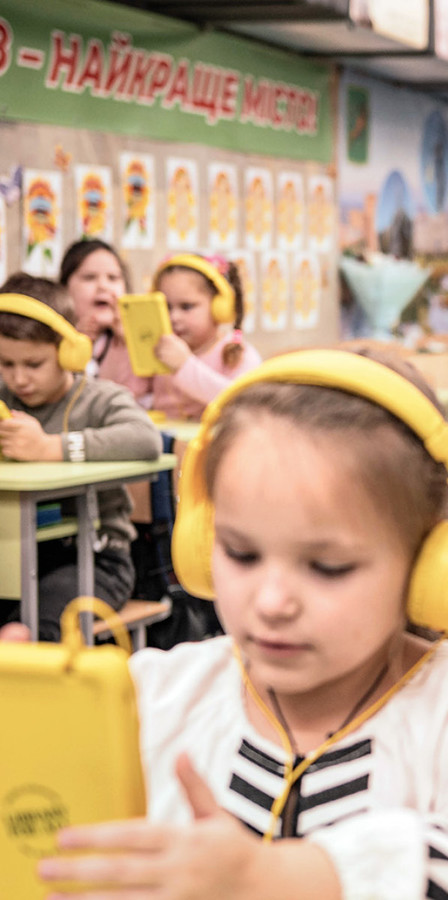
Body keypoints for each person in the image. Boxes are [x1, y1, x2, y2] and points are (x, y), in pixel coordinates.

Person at [35, 346, 448, 898]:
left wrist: (282, 881)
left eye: (328, 567)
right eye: (241, 553)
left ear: (430, 565)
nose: (273, 601)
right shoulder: (151, 698)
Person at [0, 274, 160, 640]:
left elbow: (145, 439)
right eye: (6, 364)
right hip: (14, 554)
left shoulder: (100, 399)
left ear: (71, 351)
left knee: (24, 631)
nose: (19, 378)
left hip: (96, 559)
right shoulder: (4, 398)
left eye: (34, 364)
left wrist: (50, 448)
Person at [149, 253, 262, 419]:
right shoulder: (160, 350)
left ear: (220, 308)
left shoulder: (237, 353)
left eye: (186, 306)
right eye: (166, 307)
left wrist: (184, 365)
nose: (173, 317)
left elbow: (242, 402)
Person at [58, 238, 151, 401]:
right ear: (65, 287)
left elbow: (134, 395)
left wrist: (126, 343)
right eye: (89, 277)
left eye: (113, 278)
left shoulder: (139, 337)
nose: (103, 286)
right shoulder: (54, 339)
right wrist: (76, 346)